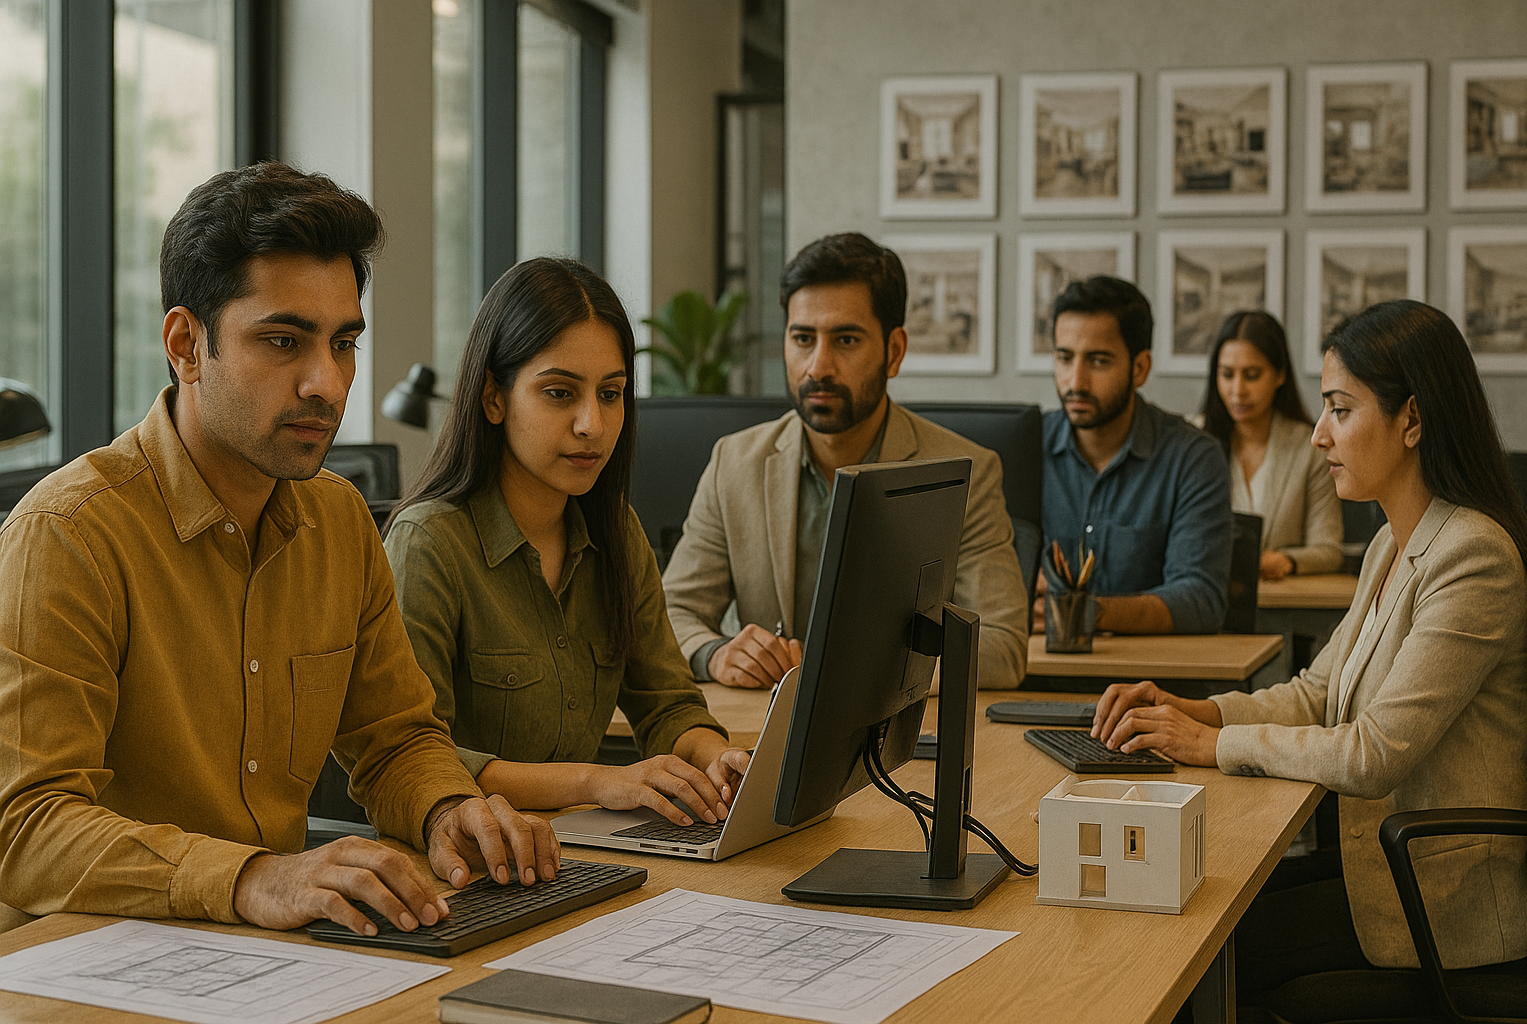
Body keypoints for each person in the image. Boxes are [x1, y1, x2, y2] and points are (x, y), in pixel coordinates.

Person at [0, 162, 560, 937]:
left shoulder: (338, 521)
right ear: (186, 344)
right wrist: (250, 878)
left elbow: (395, 738)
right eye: (283, 341)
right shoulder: (68, 535)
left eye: (343, 343)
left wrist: (447, 808)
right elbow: (27, 829)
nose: (326, 384)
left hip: (278, 961)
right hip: (94, 964)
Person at [1095, 299, 1527, 986]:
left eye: (1340, 409)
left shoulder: (1473, 557)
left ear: (1412, 419)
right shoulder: (1392, 541)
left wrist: (1211, 747)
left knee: (1195, 958)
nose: (1317, 436)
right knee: (1189, 915)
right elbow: (1319, 691)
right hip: (1382, 873)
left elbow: (1373, 754)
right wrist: (1199, 711)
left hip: (1442, 916)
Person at [385, 258, 750, 829]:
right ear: (493, 398)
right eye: (560, 393)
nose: (592, 425)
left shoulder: (616, 533)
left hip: (578, 852)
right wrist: (598, 780)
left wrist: (717, 758)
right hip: (464, 865)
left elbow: (668, 705)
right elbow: (415, 760)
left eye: (611, 394)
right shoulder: (429, 543)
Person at [663, 233, 1031, 690]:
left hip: (896, 747)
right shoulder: (734, 463)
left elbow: (1004, 648)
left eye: (846, 339)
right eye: (802, 338)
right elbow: (672, 614)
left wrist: (864, 679)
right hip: (760, 735)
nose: (818, 366)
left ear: (894, 351)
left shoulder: (967, 472)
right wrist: (715, 653)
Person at [1042, 276, 1231, 634]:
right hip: (1030, 674)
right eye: (1064, 358)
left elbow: (1201, 599)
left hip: (1150, 678)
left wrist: (1082, 612)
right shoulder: (1024, 447)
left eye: (1098, 361)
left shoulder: (1194, 457)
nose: (1075, 381)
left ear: (1140, 368)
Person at [1197, 310, 1342, 579]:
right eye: (1227, 375)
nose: (1238, 390)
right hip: (1203, 604)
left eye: (1251, 375)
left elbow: (1329, 550)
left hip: (1282, 605)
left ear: (1279, 374)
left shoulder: (1310, 446)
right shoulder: (1193, 440)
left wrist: (1286, 560)